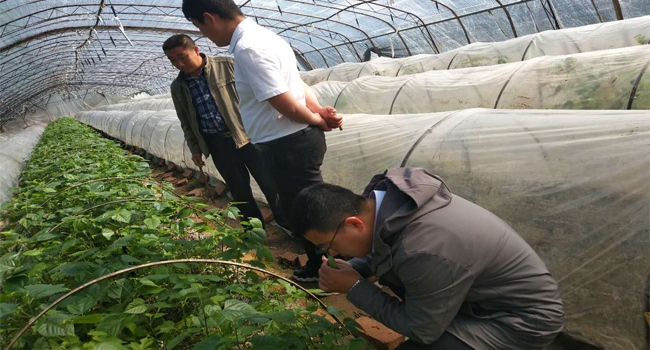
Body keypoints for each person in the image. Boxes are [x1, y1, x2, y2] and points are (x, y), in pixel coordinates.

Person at [291, 168, 565, 350]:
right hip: (482, 301)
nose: (332, 253)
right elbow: (385, 250)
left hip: (520, 321)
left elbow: (422, 330)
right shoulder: (388, 205)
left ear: (353, 224)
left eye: (328, 244)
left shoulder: (424, 249)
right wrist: (357, 268)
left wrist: (354, 287)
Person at [181, 0, 343, 282]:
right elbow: (296, 84)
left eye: (199, 27)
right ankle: (323, 264)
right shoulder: (265, 36)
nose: (204, 35)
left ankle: (328, 269)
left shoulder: (248, 48)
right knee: (306, 204)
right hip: (292, 139)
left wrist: (318, 119)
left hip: (287, 142)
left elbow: (284, 103)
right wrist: (318, 111)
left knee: (306, 209)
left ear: (210, 18)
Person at [164, 34, 283, 227]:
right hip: (217, 142)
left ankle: (289, 224)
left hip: (248, 136)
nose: (179, 63)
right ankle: (253, 231)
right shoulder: (178, 87)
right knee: (239, 190)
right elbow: (185, 120)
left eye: (182, 57)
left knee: (270, 183)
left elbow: (259, 94)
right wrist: (195, 147)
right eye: (173, 60)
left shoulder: (228, 65)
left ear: (195, 50)